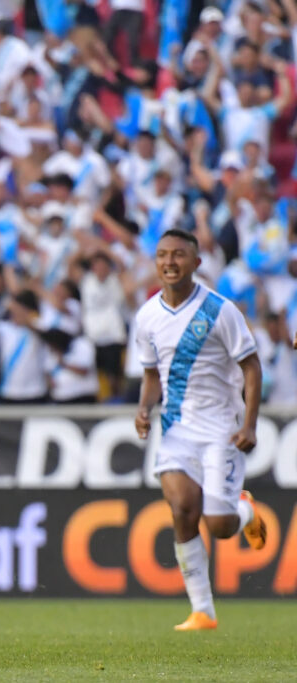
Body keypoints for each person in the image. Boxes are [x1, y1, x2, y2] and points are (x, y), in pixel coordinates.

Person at [134, 229, 265, 631]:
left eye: (178, 255)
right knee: (182, 510)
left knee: (220, 526)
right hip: (176, 429)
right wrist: (143, 408)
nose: (169, 262)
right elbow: (152, 375)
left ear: (196, 262)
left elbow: (251, 367)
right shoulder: (147, 316)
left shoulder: (220, 310)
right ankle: (202, 611)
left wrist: (250, 424)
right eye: (162, 255)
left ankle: (245, 511)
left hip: (221, 430)